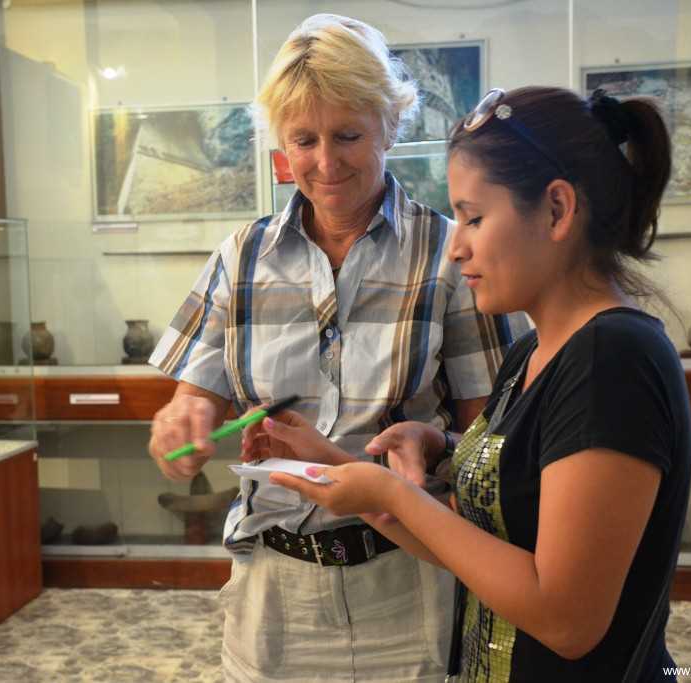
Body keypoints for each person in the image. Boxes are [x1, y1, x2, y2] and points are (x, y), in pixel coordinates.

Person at [266, 86, 691, 682]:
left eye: (474, 218)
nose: (456, 248)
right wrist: (335, 464)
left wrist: (395, 495)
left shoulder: (611, 359)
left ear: (556, 210)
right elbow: (470, 547)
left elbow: (567, 620)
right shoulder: (529, 354)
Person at [147, 14, 528, 682]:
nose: (326, 163)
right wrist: (184, 420)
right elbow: (194, 395)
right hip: (272, 588)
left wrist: (432, 451)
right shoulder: (242, 256)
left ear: (390, 126)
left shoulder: (450, 255)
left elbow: (491, 442)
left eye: (348, 135)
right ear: (282, 143)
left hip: (405, 583)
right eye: (304, 139)